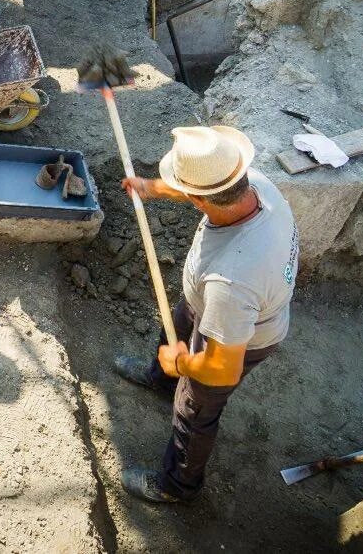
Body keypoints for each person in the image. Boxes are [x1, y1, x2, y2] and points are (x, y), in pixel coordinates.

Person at [114, 125, 298, 504]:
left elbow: (222, 369)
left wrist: (183, 364)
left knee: (195, 411)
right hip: (209, 305)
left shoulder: (233, 282)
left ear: (201, 199)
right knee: (175, 328)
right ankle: (160, 382)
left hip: (235, 338)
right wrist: (152, 188)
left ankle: (178, 485)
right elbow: (202, 189)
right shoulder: (253, 185)